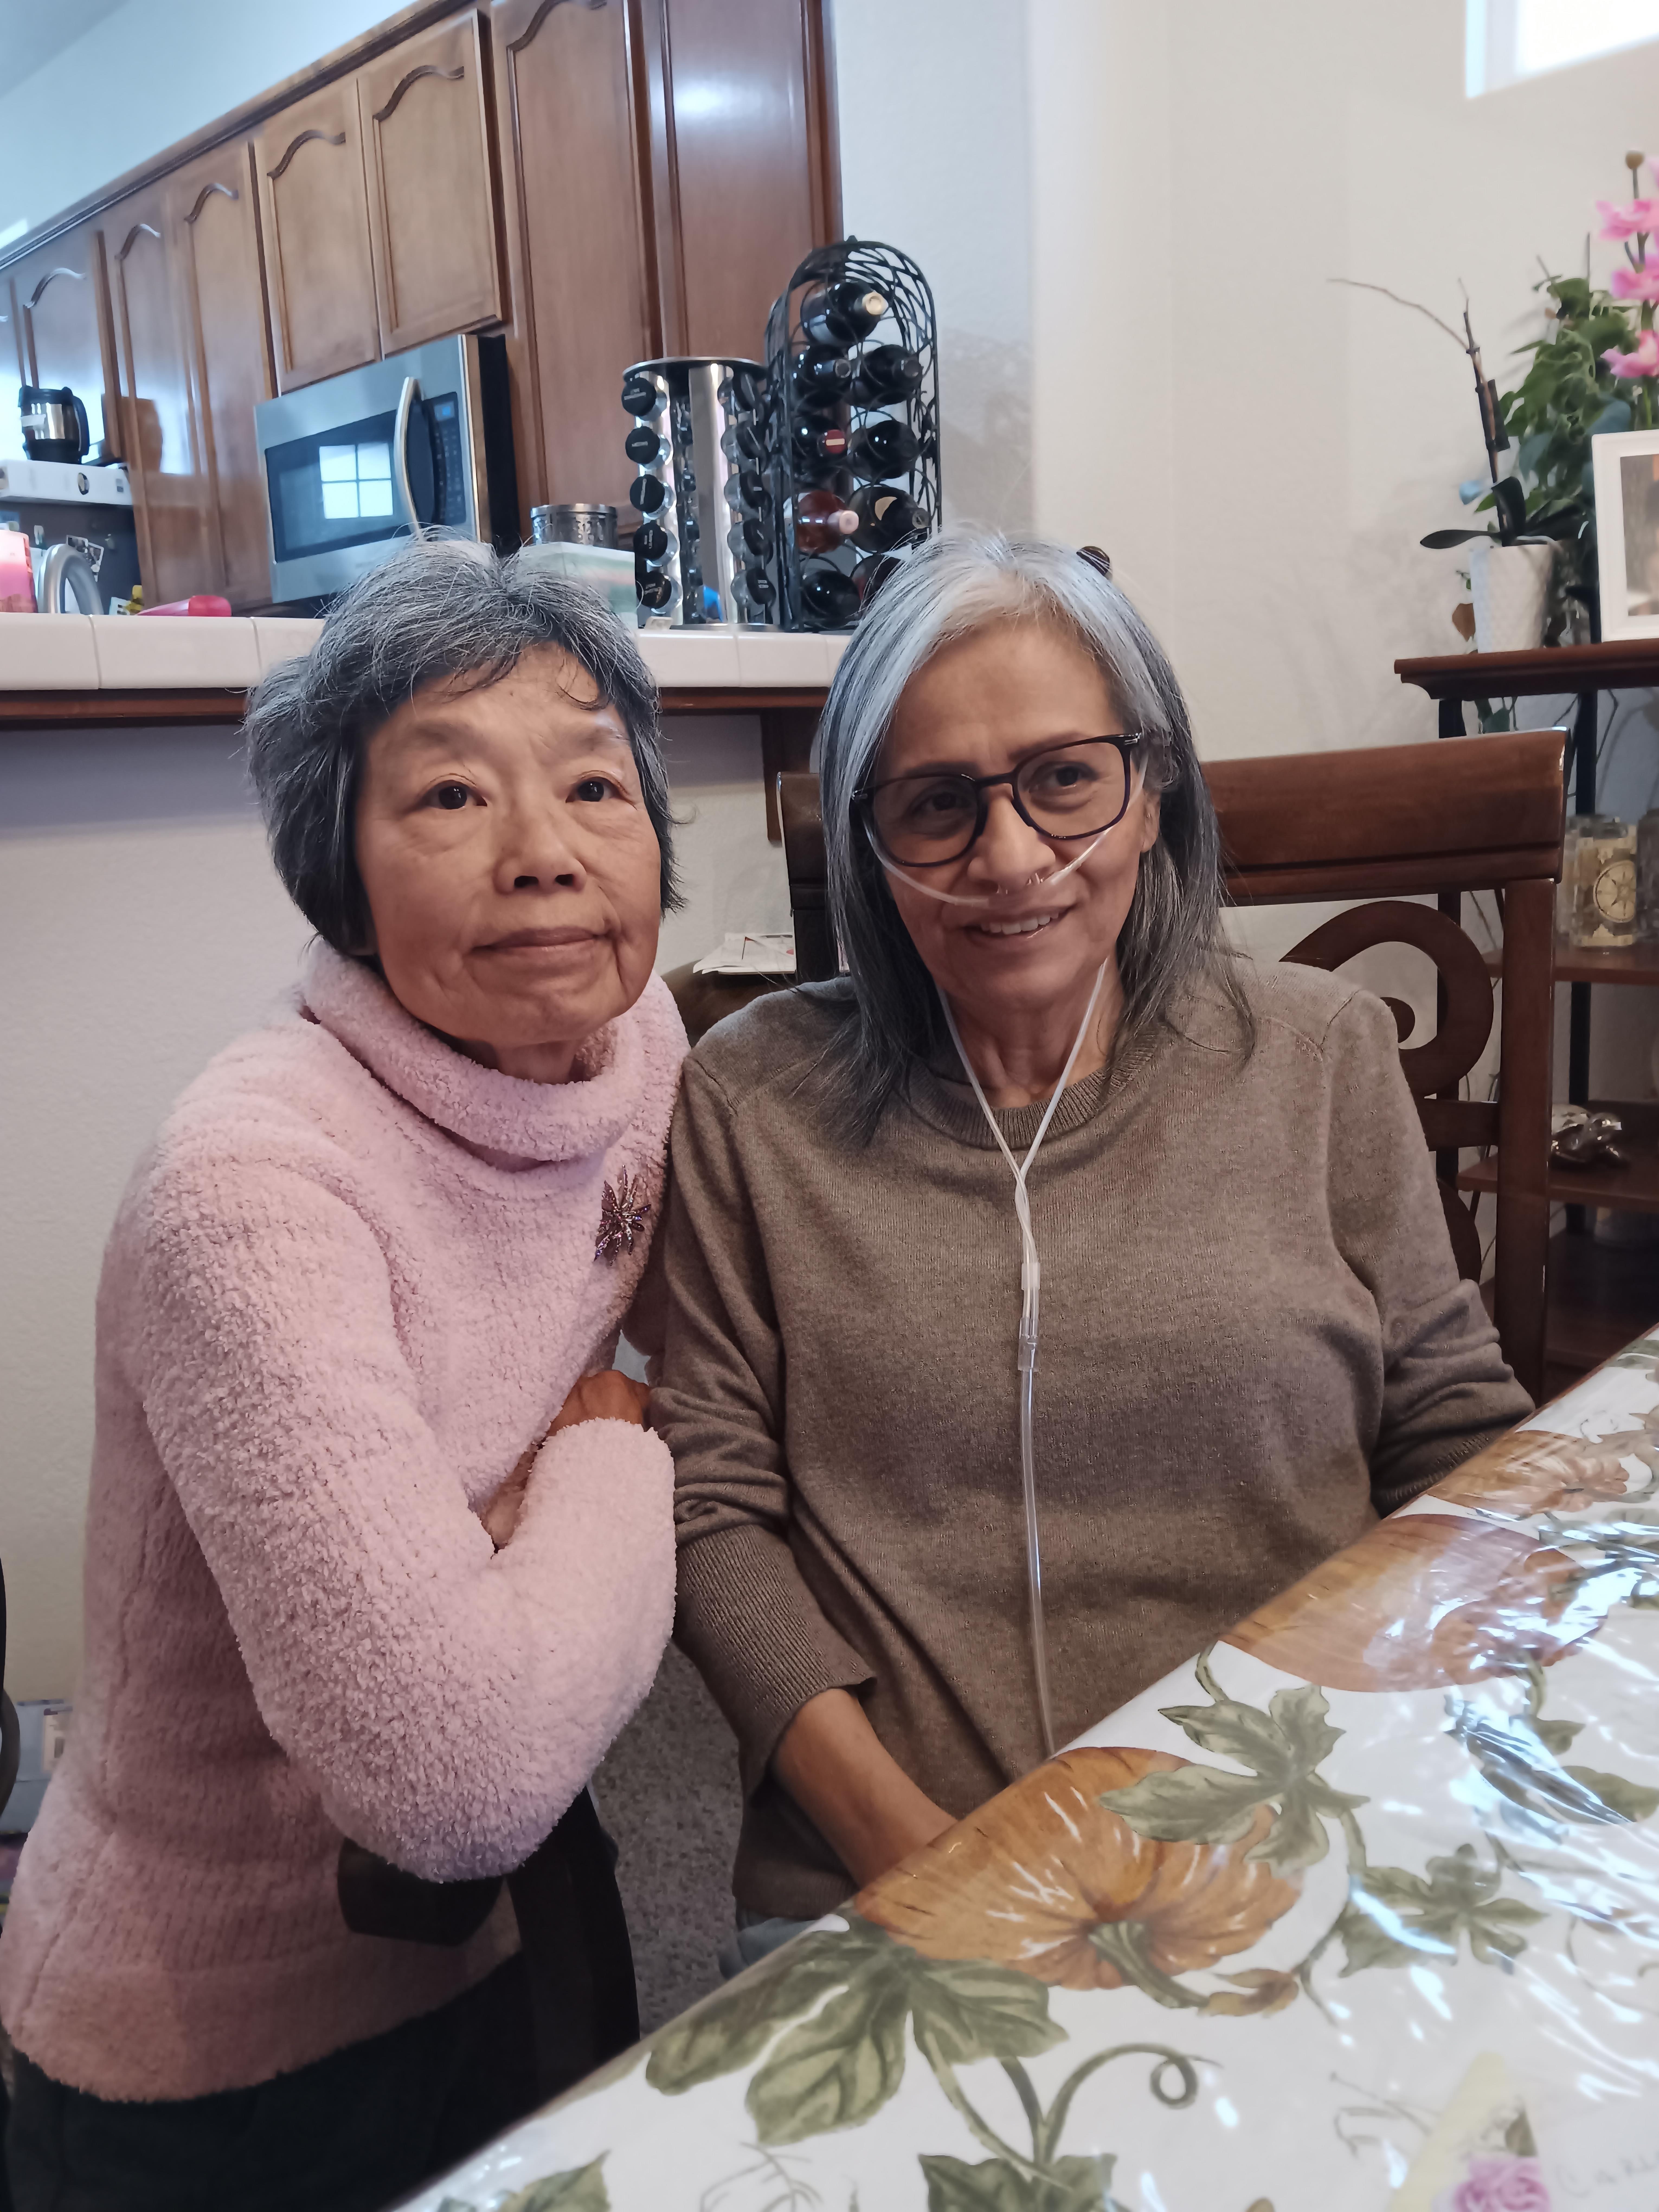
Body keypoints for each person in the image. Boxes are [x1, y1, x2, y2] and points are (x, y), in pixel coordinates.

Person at [653, 532, 1532, 1970]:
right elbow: (709, 1512)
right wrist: (911, 1853)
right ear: (866, 840)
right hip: (890, 1872)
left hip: (1300, 1828)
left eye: (1064, 778)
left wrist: (1399, 1768)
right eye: (936, 804)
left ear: (1152, 787)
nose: (1010, 860)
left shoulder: (1320, 1059)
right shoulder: (750, 1102)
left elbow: (1453, 1435)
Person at [1, 544, 687, 2211]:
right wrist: (612, 1450)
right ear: (338, 875)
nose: (544, 858)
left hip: (510, 1934)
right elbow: (455, 1779)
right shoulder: (252, 1188)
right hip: (218, 2053)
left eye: (595, 783)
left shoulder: (635, 1039)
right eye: (450, 797)